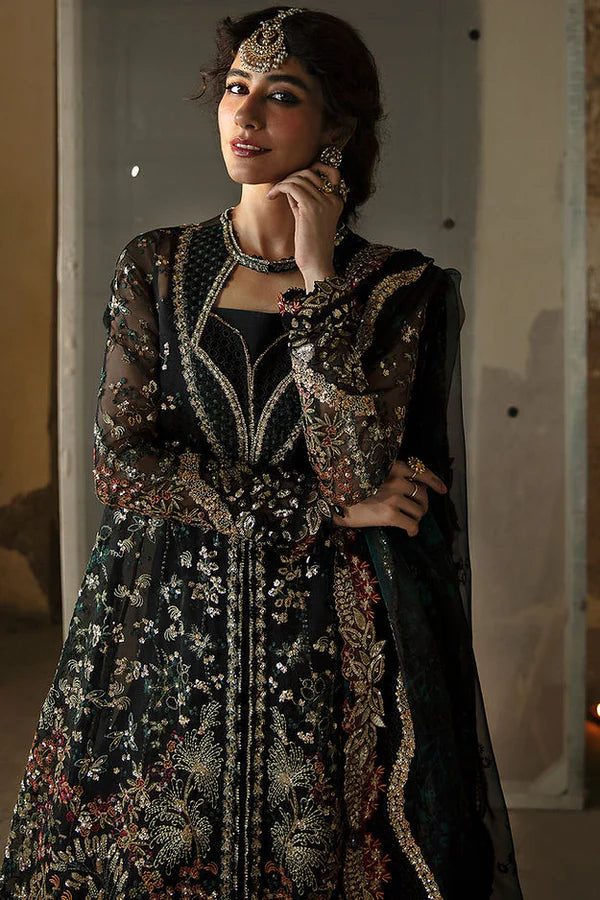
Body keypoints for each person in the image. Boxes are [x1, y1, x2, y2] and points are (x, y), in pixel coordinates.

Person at [0, 6, 524, 899]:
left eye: (280, 95)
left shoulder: (400, 289)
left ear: (337, 128)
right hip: (166, 620)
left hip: (327, 637)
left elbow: (360, 471)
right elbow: (123, 466)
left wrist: (319, 279)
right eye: (235, 87)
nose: (244, 114)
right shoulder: (157, 266)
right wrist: (317, 507)